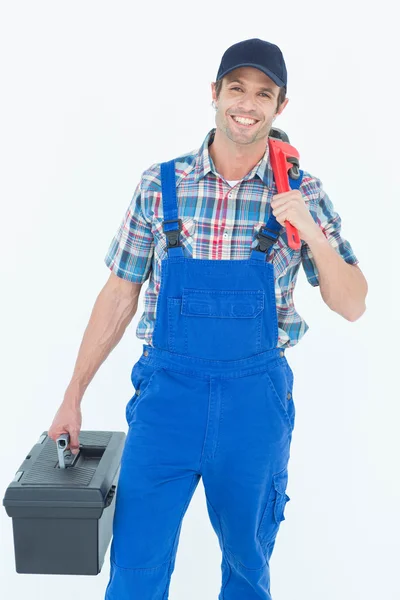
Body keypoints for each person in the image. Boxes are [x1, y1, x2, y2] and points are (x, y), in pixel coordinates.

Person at [48, 38, 368, 599]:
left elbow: (352, 303)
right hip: (166, 401)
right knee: (136, 569)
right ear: (214, 94)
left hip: (255, 406)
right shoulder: (160, 184)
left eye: (263, 94)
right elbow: (119, 295)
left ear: (280, 106)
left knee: (247, 570)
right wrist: (73, 393)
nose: (248, 104)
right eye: (237, 89)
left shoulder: (302, 192)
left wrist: (312, 232)